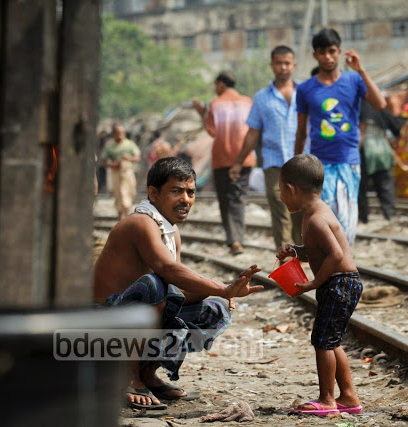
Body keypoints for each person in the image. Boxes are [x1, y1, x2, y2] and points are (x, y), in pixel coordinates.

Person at [94, 157, 263, 409]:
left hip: (129, 322)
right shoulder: (141, 223)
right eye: (176, 191)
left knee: (213, 307)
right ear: (153, 193)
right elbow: (168, 270)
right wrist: (222, 287)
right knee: (154, 285)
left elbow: (179, 289)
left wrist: (216, 293)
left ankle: (147, 373)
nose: (186, 199)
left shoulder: (170, 231)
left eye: (190, 192)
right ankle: (126, 376)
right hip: (100, 325)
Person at [276, 154, 362, 416]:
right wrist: (297, 252)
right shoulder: (315, 212)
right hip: (341, 283)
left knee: (323, 341)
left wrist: (313, 283)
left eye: (281, 191)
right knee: (331, 341)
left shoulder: (315, 218)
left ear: (292, 189)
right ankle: (348, 398)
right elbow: (319, 251)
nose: (281, 196)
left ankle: (327, 400)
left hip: (339, 283)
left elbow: (336, 255)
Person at [294, 28, 386, 246]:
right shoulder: (306, 89)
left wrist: (361, 69)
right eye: (322, 52)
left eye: (332, 51)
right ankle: (330, 270)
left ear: (339, 52)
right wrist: (297, 165)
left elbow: (380, 104)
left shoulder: (354, 80)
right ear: (315, 55)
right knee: (322, 221)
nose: (327, 57)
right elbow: (301, 131)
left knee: (345, 222)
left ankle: (342, 269)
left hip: (348, 161)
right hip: (318, 165)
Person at [229, 46, 303, 249]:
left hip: (303, 163)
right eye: (279, 63)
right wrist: (238, 162)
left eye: (287, 63)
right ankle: (287, 261)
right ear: (272, 65)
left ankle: (305, 255)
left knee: (303, 210)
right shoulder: (262, 97)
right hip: (274, 163)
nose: (283, 67)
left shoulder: (305, 92)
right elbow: (253, 132)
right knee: (280, 210)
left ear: (294, 65)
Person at [193, 71, 255, 255]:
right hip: (244, 158)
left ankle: (233, 240)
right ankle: (238, 239)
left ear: (220, 84)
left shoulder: (215, 103)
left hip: (222, 158)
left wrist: (201, 114)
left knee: (225, 199)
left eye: (215, 85)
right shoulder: (247, 101)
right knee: (239, 198)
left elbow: (212, 130)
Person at [357, 99, 401, 223]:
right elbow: (397, 127)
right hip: (383, 148)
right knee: (385, 183)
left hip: (363, 148)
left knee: (361, 185)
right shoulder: (380, 108)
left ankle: (363, 216)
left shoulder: (357, 104)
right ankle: (389, 214)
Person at [100, 124, 141, 220]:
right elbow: (104, 161)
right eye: (118, 133)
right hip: (116, 172)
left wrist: (128, 158)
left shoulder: (130, 144)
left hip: (127, 172)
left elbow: (137, 157)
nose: (120, 135)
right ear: (114, 134)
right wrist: (112, 165)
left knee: (130, 191)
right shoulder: (109, 146)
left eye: (122, 133)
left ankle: (125, 211)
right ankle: (121, 213)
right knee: (119, 192)